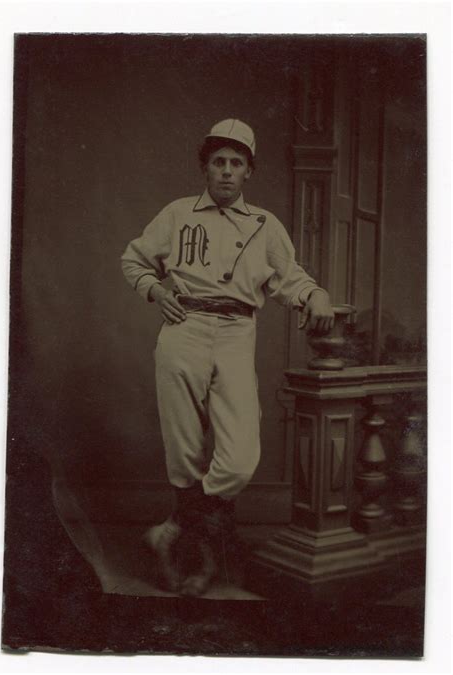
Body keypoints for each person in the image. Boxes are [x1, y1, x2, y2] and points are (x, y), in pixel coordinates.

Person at [121, 119, 334, 596]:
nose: (226, 171)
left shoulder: (264, 225)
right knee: (185, 449)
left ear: (248, 173)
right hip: (184, 330)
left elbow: (291, 278)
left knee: (239, 457)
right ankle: (203, 551)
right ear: (205, 167)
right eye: (218, 162)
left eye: (236, 163)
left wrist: (316, 294)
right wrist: (155, 289)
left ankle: (174, 528)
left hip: (237, 332)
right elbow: (133, 259)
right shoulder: (177, 214)